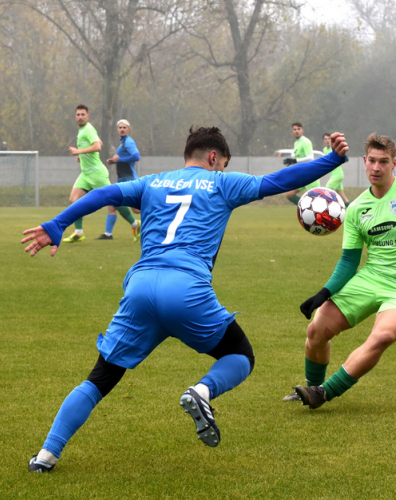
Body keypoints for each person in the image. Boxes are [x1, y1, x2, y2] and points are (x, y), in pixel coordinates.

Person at [21, 127, 350, 472]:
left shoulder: (152, 183)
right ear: (213, 158)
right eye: (222, 164)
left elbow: (103, 193)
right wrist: (331, 159)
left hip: (141, 289)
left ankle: (46, 455)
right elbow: (279, 181)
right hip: (186, 290)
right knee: (240, 355)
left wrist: (58, 224)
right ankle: (203, 392)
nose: (222, 169)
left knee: (100, 378)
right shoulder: (222, 184)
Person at [284, 133, 396, 407]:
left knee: (382, 336)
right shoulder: (356, 209)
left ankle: (325, 393)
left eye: (383, 162)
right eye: (372, 161)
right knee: (316, 330)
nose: (376, 168)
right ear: (364, 161)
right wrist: (324, 293)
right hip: (369, 280)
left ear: (394, 163)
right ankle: (311, 389)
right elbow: (349, 262)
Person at [63, 104, 112, 243]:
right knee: (73, 200)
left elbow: (97, 147)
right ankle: (78, 232)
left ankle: (135, 224)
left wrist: (78, 152)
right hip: (86, 173)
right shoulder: (84, 130)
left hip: (97, 173)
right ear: (75, 117)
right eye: (78, 115)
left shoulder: (88, 129)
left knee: (115, 200)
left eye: (83, 114)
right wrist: (83, 157)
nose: (80, 117)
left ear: (88, 116)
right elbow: (99, 142)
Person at [97, 119, 141, 241]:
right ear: (117, 130)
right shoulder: (122, 143)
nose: (122, 129)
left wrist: (119, 160)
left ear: (128, 129)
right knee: (112, 204)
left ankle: (140, 224)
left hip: (129, 180)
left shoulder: (128, 142)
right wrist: (114, 161)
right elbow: (123, 158)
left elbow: (136, 156)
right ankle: (108, 234)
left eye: (124, 127)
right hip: (122, 179)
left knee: (137, 209)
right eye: (120, 127)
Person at [283, 122, 319, 205]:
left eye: (298, 129)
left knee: (316, 200)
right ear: (292, 131)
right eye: (294, 129)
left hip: (310, 174)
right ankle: (305, 207)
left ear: (302, 130)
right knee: (289, 194)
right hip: (302, 174)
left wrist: (294, 160)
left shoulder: (306, 142)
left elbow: (310, 157)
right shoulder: (296, 143)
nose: (296, 131)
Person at [322, 133, 350, 205]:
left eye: (329, 139)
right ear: (323, 141)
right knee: (343, 198)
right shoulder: (325, 149)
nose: (327, 140)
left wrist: (343, 157)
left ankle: (330, 211)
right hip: (333, 175)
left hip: (337, 175)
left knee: (326, 191)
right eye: (325, 139)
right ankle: (354, 212)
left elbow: (345, 158)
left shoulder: (334, 148)